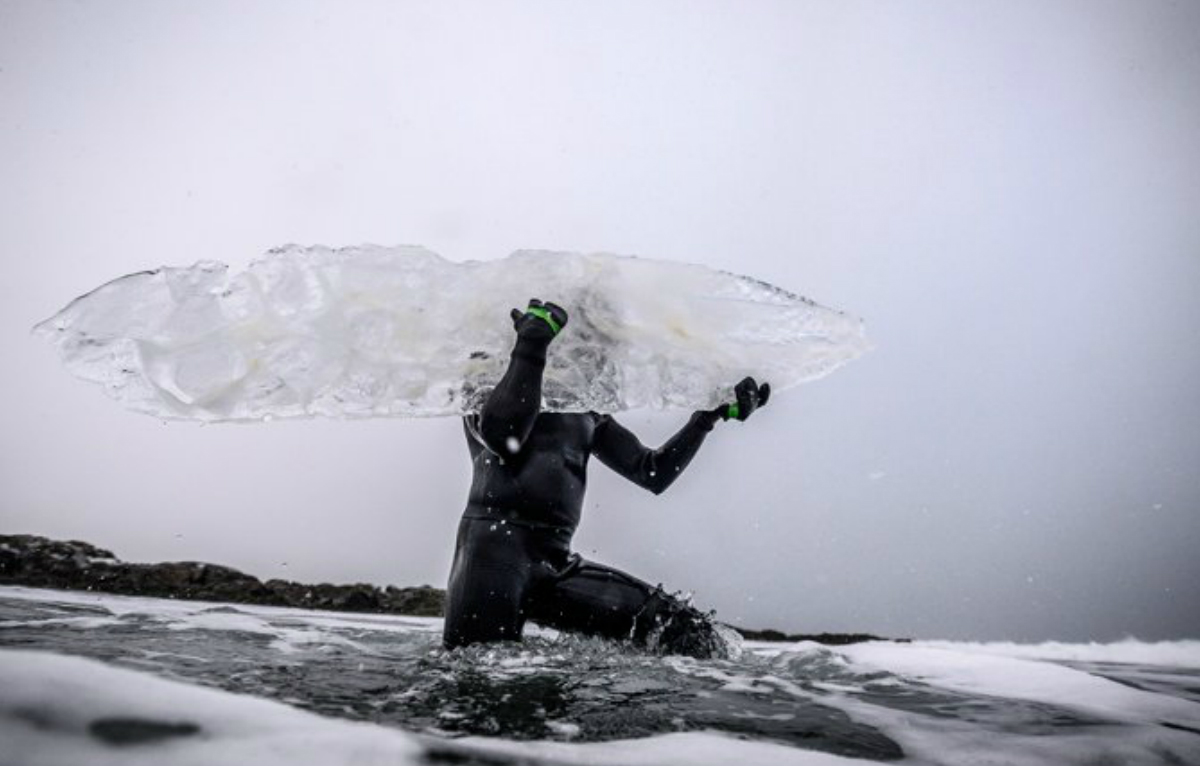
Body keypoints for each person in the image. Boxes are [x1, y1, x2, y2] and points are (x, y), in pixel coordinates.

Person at [443, 299, 770, 658]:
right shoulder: (489, 376)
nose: (601, 358)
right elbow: (503, 434)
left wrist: (707, 418)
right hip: (493, 558)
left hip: (554, 562)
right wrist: (531, 345)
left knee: (689, 635)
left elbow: (653, 472)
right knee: (479, 679)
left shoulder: (588, 411)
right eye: (595, 345)